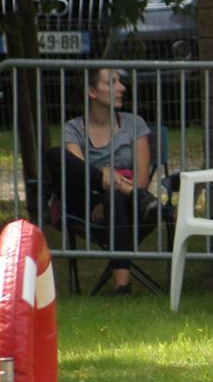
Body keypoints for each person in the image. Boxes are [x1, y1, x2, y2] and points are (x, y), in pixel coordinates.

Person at [57, 67, 160, 294]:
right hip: (89, 204)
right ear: (92, 92)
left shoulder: (135, 124)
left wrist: (111, 194)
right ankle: (123, 286)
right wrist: (114, 180)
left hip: (129, 205)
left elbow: (142, 180)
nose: (122, 88)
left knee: (114, 198)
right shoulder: (73, 129)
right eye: (112, 82)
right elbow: (80, 174)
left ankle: (122, 287)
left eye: (120, 82)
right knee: (59, 157)